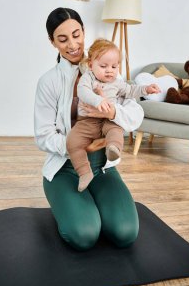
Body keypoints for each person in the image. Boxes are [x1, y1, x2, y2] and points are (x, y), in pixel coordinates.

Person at [34, 7, 143, 251]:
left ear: (84, 31)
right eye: (62, 39)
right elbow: (43, 136)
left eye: (76, 34)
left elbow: (137, 114)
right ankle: (72, 205)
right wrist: (81, 145)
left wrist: (113, 112)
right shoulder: (49, 82)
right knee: (84, 235)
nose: (72, 44)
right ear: (53, 42)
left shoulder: (107, 68)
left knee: (125, 233)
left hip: (102, 168)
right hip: (65, 169)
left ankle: (92, 201)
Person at [66, 38, 160, 192]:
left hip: (108, 119)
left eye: (114, 66)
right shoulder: (88, 78)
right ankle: (84, 173)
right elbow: (83, 91)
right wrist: (98, 100)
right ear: (91, 65)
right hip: (88, 121)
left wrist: (146, 89)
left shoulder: (117, 82)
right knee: (72, 141)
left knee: (116, 130)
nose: (109, 70)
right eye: (103, 66)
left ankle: (113, 149)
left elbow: (130, 91)